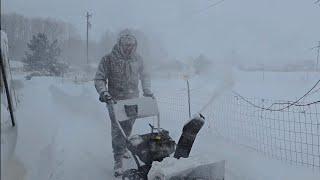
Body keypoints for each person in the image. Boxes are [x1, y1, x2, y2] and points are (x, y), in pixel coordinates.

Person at [94, 29, 154, 177]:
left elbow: (145, 74)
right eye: (126, 45)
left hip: (133, 99)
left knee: (128, 126)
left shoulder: (138, 59)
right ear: (120, 44)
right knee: (117, 129)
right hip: (114, 100)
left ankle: (124, 147)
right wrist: (104, 92)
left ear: (135, 45)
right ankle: (118, 160)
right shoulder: (108, 59)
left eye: (132, 45)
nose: (129, 47)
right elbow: (99, 79)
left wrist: (146, 89)